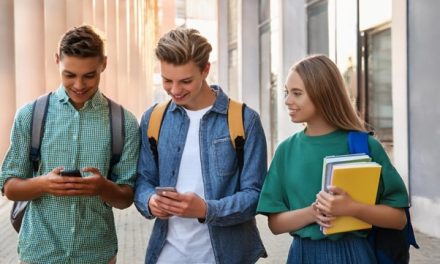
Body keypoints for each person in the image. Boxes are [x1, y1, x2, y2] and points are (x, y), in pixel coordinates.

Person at [0, 25, 140, 264]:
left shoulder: (123, 122)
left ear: (103, 64)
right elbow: (8, 186)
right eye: (69, 75)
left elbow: (126, 197)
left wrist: (102, 187)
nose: (79, 85)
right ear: (57, 61)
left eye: (89, 75)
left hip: (97, 254)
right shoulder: (30, 115)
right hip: (39, 253)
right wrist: (43, 184)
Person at [256, 54, 409, 263]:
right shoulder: (286, 151)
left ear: (323, 94)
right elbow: (275, 224)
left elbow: (398, 219)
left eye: (297, 93)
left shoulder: (365, 147)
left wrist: (352, 208)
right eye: (286, 92)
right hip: (302, 255)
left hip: (354, 254)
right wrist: (314, 212)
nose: (287, 101)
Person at [134, 27, 268, 264]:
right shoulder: (153, 119)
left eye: (185, 81)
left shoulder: (245, 120)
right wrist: (150, 201)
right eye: (167, 80)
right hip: (166, 255)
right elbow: (143, 180)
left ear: (206, 70)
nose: (175, 90)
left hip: (227, 256)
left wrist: (206, 210)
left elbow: (255, 196)